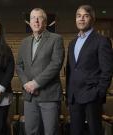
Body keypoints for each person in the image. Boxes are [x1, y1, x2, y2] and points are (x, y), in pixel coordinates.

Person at [66, 5, 113, 135]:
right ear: (75, 19)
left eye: (85, 16)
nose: (81, 19)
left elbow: (107, 70)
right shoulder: (72, 43)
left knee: (94, 131)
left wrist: (99, 93)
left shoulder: (101, 41)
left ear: (92, 19)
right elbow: (70, 71)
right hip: (75, 97)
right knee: (75, 131)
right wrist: (69, 95)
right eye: (78, 16)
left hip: (92, 96)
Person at [16, 8, 64, 135]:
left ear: (45, 21)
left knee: (50, 132)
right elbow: (19, 66)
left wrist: (36, 83)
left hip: (49, 95)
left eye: (39, 17)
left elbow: (56, 64)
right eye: (33, 18)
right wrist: (27, 83)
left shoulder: (56, 39)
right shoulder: (24, 42)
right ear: (29, 22)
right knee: (31, 131)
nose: (36, 20)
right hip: (29, 97)